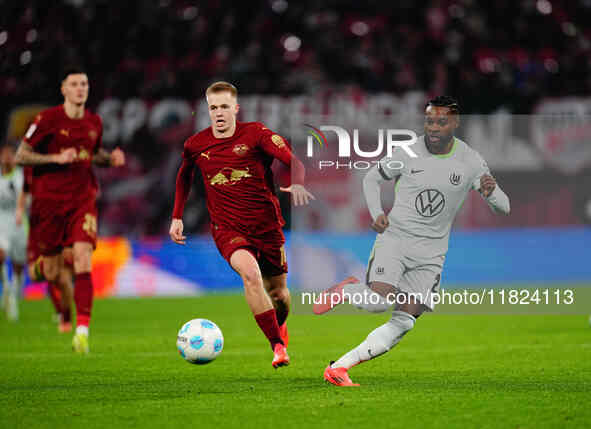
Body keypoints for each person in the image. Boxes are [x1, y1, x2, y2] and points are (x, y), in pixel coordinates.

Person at [314, 96, 511, 386]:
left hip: (432, 255)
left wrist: (492, 193)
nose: (433, 127)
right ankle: (349, 289)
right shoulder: (406, 152)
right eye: (429, 120)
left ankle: (339, 368)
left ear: (455, 123)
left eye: (441, 121)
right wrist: (377, 212)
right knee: (378, 304)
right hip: (396, 241)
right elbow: (371, 178)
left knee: (404, 322)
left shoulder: (471, 161)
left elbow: (504, 206)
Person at [170, 81, 314, 368]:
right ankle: (277, 347)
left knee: (279, 295)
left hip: (267, 227)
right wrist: (177, 216)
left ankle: (279, 327)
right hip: (227, 229)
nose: (219, 113)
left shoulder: (256, 134)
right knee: (250, 275)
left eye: (224, 107)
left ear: (235, 108)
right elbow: (184, 176)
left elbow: (294, 161)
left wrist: (297, 183)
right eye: (213, 108)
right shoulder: (195, 144)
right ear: (207, 110)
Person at [15, 68, 125, 353]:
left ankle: (82, 330)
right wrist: (55, 157)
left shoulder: (94, 122)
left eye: (85, 84)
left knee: (82, 259)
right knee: (51, 273)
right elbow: (21, 155)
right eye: (74, 84)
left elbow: (94, 154)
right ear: (63, 89)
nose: (81, 88)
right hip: (48, 205)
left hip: (82, 200)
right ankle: (40, 267)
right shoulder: (47, 119)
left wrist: (109, 159)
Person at [16, 166, 74, 332]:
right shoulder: (30, 166)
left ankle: (66, 319)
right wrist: (20, 210)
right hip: (37, 225)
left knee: (62, 278)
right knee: (36, 275)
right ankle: (49, 265)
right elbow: (25, 189)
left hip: (58, 223)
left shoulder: (60, 161)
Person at [0, 144, 27, 321]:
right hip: (2, 219)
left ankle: (15, 293)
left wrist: (19, 210)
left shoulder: (19, 176)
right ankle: (7, 290)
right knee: (1, 255)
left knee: (19, 264)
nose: (8, 158)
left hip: (18, 221)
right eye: (5, 155)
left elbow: (22, 196)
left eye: (11, 155)